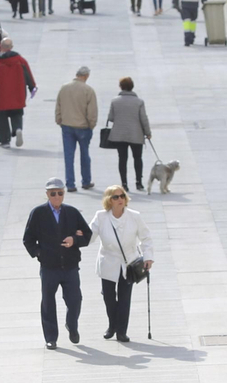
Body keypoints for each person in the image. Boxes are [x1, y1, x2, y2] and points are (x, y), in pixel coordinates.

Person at [23, 178, 93, 349]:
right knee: (48, 302)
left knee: (75, 299)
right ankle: (51, 337)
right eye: (52, 193)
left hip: (70, 266)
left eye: (59, 193)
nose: (56, 196)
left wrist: (74, 239)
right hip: (49, 267)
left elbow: (87, 235)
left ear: (64, 194)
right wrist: (40, 253)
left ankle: (72, 324)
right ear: (47, 194)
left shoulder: (72, 212)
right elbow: (28, 239)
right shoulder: (38, 213)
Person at [88, 186, 153, 341]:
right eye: (115, 197)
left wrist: (148, 257)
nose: (120, 200)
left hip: (128, 262)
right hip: (108, 261)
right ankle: (112, 325)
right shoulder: (101, 216)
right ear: (109, 200)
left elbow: (146, 237)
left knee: (125, 298)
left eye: (122, 196)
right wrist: (77, 236)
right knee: (109, 298)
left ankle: (121, 331)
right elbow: (89, 236)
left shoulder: (134, 216)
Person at [0, 37, 37, 148]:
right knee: (17, 113)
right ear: (11, 47)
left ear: (1, 47)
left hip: (1, 96)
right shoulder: (21, 60)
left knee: (1, 118)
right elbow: (29, 75)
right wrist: (32, 87)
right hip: (18, 94)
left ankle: (5, 141)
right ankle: (17, 128)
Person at [57, 66, 99, 192]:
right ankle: (86, 181)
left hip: (67, 125)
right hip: (83, 127)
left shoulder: (64, 88)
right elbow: (92, 111)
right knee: (85, 154)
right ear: (86, 76)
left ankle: (70, 183)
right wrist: (91, 124)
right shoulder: (88, 90)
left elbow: (58, 105)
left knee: (68, 156)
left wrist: (59, 120)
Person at [104, 77, 150, 191]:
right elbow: (144, 119)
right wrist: (148, 133)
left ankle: (124, 183)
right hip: (136, 134)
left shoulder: (115, 101)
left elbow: (111, 117)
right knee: (137, 158)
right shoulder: (139, 102)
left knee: (122, 159)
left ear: (121, 87)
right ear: (132, 87)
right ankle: (139, 182)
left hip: (120, 135)